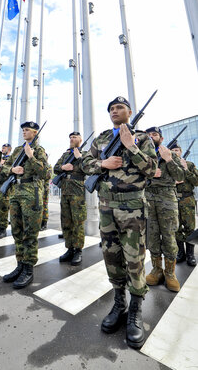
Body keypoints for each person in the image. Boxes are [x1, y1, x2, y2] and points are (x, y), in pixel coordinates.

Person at [82, 97, 157, 349]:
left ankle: (135, 309)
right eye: (112, 108)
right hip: (106, 207)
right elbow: (84, 163)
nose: (115, 111)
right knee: (111, 256)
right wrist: (101, 163)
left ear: (130, 112)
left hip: (133, 207)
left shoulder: (143, 138)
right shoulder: (102, 138)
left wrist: (131, 147)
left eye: (120, 108)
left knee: (134, 259)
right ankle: (119, 302)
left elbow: (152, 169)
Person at [0, 121, 48, 289]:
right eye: (23, 130)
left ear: (35, 133)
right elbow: (4, 167)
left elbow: (46, 173)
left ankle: (28, 269)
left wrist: (31, 157)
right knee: (17, 231)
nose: (23, 132)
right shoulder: (16, 150)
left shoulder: (39, 151)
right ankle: (19, 265)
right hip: (15, 193)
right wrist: (12, 170)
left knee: (30, 233)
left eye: (27, 130)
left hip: (31, 194)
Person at [145, 127, 185, 292]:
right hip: (148, 199)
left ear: (161, 139)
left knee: (169, 236)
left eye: (154, 134)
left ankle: (170, 273)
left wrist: (168, 159)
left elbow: (181, 177)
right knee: (152, 236)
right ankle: (156, 270)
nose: (150, 137)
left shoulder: (171, 155)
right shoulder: (143, 157)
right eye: (148, 135)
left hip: (167, 200)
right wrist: (150, 173)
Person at [54, 132, 87, 265]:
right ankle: (70, 248)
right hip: (65, 191)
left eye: (75, 137)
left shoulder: (85, 155)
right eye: (71, 137)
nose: (72, 139)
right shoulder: (66, 154)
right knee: (66, 221)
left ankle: (78, 250)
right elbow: (55, 168)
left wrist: (79, 158)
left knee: (77, 221)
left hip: (77, 191)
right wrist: (63, 167)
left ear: (80, 139)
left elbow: (88, 169)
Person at [172, 143, 198, 266]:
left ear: (181, 152)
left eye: (177, 150)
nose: (175, 152)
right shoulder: (168, 166)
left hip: (187, 200)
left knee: (189, 228)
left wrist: (186, 170)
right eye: (172, 150)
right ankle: (180, 253)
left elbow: (197, 182)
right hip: (172, 200)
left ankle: (190, 255)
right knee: (176, 228)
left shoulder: (190, 165)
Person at [41, 161, 52, 231]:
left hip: (45, 189)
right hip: (38, 188)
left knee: (44, 206)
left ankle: (44, 223)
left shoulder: (48, 166)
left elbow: (48, 176)